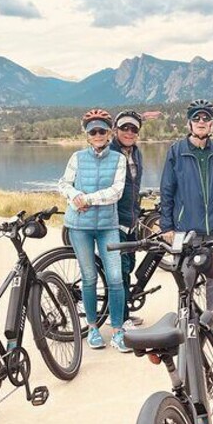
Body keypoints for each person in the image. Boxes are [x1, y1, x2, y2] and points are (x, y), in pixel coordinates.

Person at [58, 109, 131, 353]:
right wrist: (75, 195)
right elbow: (63, 184)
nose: (98, 135)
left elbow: (116, 192)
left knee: (115, 278)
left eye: (102, 130)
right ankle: (93, 328)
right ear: (88, 135)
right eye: (93, 131)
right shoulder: (76, 158)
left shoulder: (119, 159)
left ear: (109, 133)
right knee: (89, 277)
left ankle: (119, 330)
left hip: (108, 226)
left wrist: (87, 199)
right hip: (80, 227)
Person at [159, 99, 213, 312]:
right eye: (196, 118)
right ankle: (185, 323)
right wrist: (167, 226)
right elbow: (167, 190)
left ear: (212, 124)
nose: (201, 121)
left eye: (206, 118)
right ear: (189, 124)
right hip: (186, 229)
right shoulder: (176, 151)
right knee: (186, 278)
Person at [110, 110, 145, 329]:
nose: (129, 132)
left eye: (133, 129)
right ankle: (121, 320)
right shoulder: (110, 152)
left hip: (131, 220)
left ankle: (124, 311)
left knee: (129, 266)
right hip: (114, 220)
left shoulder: (136, 153)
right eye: (125, 128)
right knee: (121, 271)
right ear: (116, 130)